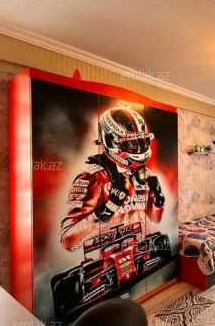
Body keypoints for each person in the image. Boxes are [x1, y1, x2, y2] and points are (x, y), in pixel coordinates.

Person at [60, 107, 165, 252]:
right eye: (132, 144)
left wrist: (158, 199)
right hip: (106, 258)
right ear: (110, 142)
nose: (140, 149)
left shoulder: (144, 174)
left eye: (143, 142)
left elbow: (155, 219)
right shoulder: (92, 178)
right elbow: (67, 241)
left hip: (139, 252)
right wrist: (107, 210)